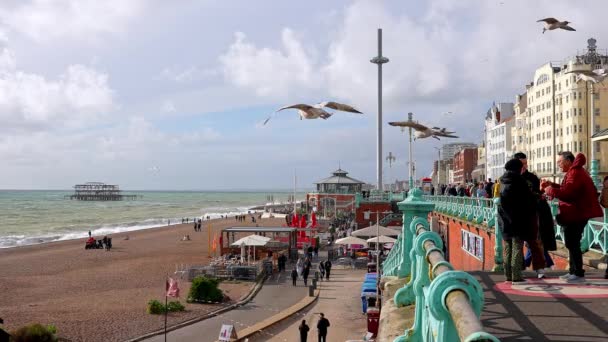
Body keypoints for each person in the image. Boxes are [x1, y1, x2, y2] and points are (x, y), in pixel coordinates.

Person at [543, 152, 603, 283]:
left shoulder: (575, 173)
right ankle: (573, 271)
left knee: (573, 243)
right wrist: (553, 185)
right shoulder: (574, 172)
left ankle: (577, 273)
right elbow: (568, 188)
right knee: (571, 242)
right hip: (576, 212)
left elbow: (568, 194)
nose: (558, 164)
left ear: (568, 161)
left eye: (560, 161)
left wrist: (549, 190)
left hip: (577, 213)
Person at [514, 152, 556, 279]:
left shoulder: (532, 177)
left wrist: (541, 192)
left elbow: (538, 195)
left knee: (536, 243)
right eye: (522, 164)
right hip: (517, 216)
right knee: (517, 244)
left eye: (526, 163)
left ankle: (540, 270)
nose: (525, 166)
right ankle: (517, 270)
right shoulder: (511, 178)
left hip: (533, 215)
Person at [497, 158, 537, 284]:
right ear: (518, 169)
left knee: (508, 247)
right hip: (518, 220)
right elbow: (528, 201)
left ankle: (508, 274)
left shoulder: (502, 181)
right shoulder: (519, 182)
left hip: (504, 220)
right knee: (517, 247)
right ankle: (516, 275)